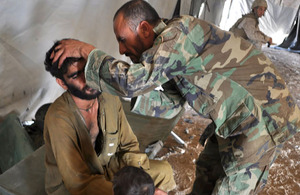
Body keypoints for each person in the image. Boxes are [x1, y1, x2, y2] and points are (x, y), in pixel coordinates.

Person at [51, 0, 300, 194]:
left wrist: (89, 53)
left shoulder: (179, 34)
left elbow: (131, 81)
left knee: (230, 188)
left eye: (122, 40)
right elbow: (172, 103)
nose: (121, 50)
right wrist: (129, 98)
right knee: (207, 170)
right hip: (235, 118)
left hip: (263, 118)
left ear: (145, 29)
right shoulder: (168, 55)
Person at [43, 39, 175, 195]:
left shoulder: (108, 96)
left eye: (86, 69)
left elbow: (129, 145)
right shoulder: (58, 118)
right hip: (77, 186)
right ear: (62, 83)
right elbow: (79, 183)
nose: (87, 79)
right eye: (75, 75)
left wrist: (139, 182)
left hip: (112, 170)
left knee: (164, 172)